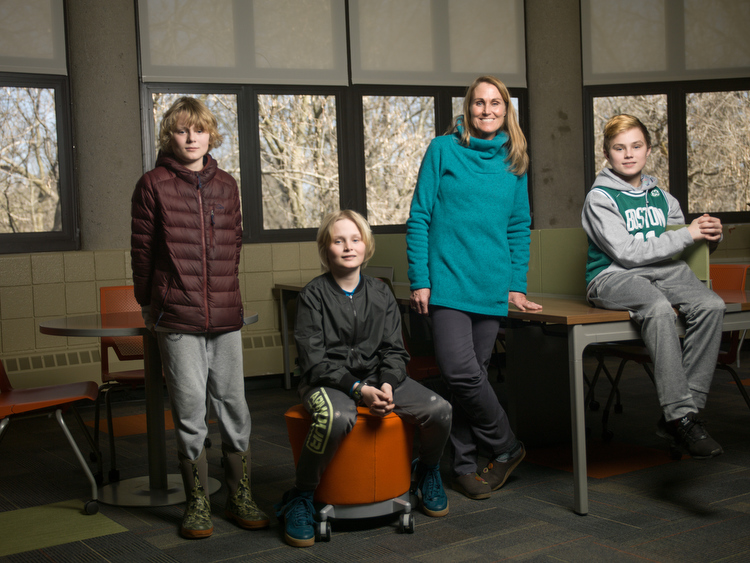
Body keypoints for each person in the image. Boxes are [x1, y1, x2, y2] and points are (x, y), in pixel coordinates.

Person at [131, 97, 269, 539]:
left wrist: (227, 294)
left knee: (235, 408)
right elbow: (142, 253)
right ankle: (197, 504)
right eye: (181, 130)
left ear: (211, 134)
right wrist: (152, 306)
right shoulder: (152, 184)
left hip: (226, 317)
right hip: (176, 318)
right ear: (169, 136)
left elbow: (236, 244)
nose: (191, 138)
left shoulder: (227, 185)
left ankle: (239, 494)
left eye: (199, 129)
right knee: (190, 412)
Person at [275, 209, 452, 548]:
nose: (347, 247)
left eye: (355, 239)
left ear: (366, 246)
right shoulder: (312, 295)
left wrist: (386, 383)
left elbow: (395, 350)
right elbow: (314, 360)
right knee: (337, 417)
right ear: (326, 249)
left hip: (379, 378)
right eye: (338, 241)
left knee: (440, 410)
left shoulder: (381, 293)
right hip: (327, 383)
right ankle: (301, 495)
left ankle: (427, 470)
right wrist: (358, 390)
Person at [406, 76, 541, 501]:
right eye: (479, 103)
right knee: (461, 373)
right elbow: (420, 217)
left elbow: (519, 226)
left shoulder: (514, 160)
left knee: (471, 379)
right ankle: (507, 445)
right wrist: (420, 279)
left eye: (496, 103)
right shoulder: (442, 149)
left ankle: (464, 467)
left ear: (506, 110)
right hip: (446, 283)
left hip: (491, 287)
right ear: (468, 108)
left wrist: (516, 285)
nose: (487, 110)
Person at [582, 114, 725, 459]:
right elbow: (628, 254)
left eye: (636, 146)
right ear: (607, 153)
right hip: (613, 276)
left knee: (712, 305)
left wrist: (709, 237)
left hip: (662, 271)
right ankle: (681, 415)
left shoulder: (663, 197)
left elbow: (680, 245)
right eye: (619, 148)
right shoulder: (600, 198)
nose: (628, 154)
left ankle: (680, 415)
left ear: (647, 150)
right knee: (658, 308)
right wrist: (685, 233)